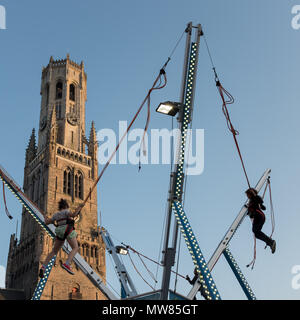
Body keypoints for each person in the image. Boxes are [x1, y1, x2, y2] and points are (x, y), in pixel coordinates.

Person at [39, 199, 83, 278]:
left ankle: (43, 267)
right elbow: (73, 215)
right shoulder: (66, 211)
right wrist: (79, 208)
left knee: (54, 251)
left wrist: (45, 218)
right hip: (67, 229)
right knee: (75, 247)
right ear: (66, 206)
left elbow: (47, 222)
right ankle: (67, 263)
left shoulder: (56, 215)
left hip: (59, 231)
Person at [245, 188, 276, 253]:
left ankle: (270, 241)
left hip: (259, 215)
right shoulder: (251, 202)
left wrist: (261, 205)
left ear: (250, 194)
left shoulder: (254, 198)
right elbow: (251, 215)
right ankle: (270, 242)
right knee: (256, 234)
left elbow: (259, 200)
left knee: (255, 230)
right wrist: (249, 213)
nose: (247, 196)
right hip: (258, 217)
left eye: (247, 195)